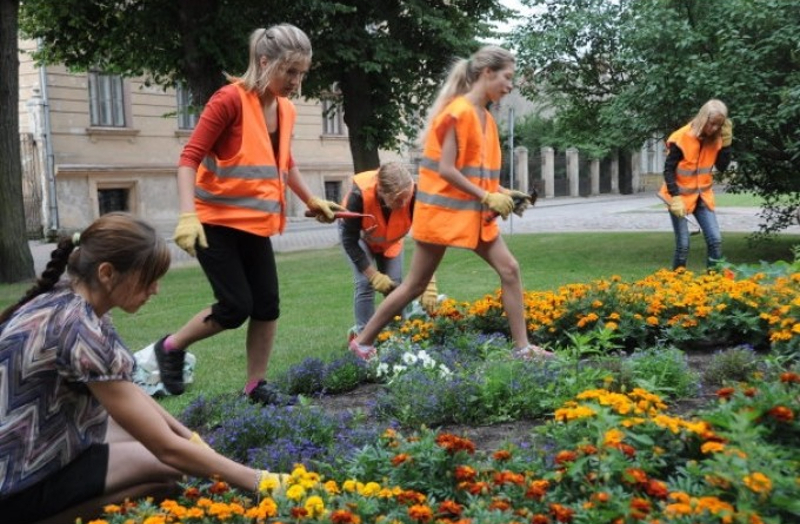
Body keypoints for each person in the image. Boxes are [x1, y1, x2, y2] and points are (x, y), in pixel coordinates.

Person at [0, 213, 286, 524]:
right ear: (107, 273)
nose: (156, 289)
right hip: (17, 486)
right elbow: (166, 449)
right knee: (169, 473)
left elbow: (130, 394)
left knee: (177, 451)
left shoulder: (63, 299)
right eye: (148, 278)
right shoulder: (80, 330)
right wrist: (263, 482)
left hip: (28, 452)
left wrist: (189, 436)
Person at [144, 24, 344, 403]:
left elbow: (284, 160)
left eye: (302, 73)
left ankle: (256, 386)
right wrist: (188, 217)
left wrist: (311, 199)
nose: (296, 82)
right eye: (290, 72)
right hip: (213, 223)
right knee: (236, 307)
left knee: (267, 305)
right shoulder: (228, 100)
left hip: (254, 225)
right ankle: (170, 347)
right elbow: (188, 158)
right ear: (265, 62)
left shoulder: (284, 110)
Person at [348, 45, 550, 360]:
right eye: (507, 78)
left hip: (473, 216)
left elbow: (480, 174)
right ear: (487, 73)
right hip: (441, 216)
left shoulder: (485, 118)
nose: (510, 86)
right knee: (414, 286)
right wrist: (487, 196)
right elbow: (447, 169)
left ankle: (523, 349)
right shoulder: (457, 112)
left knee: (510, 269)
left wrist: (506, 193)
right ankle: (362, 343)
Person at [338, 163, 438, 355]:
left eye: (406, 197)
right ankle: (363, 341)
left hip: (391, 242)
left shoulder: (415, 195)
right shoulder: (359, 195)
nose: (403, 204)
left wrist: (430, 281)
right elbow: (349, 240)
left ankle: (398, 337)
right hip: (359, 239)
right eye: (397, 200)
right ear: (381, 192)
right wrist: (373, 275)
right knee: (365, 285)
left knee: (398, 287)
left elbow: (429, 237)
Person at [658, 99, 732, 270]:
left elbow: (721, 167)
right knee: (683, 245)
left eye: (719, 125)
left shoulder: (717, 138)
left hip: (702, 197)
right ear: (703, 118)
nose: (714, 128)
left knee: (715, 241)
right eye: (712, 123)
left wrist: (727, 144)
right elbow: (668, 170)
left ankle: (712, 284)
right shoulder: (681, 137)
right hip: (678, 198)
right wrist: (675, 198)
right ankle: (676, 285)